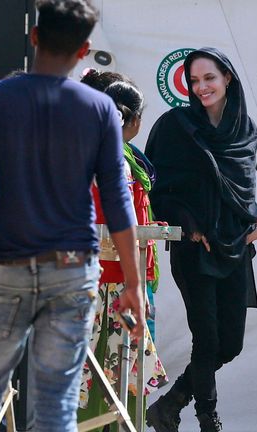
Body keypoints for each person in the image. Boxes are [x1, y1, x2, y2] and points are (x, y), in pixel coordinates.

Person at [0, 1, 143, 431]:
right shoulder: (100, 110)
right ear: (85, 48)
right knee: (56, 407)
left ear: (34, 37)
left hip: (9, 266)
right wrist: (133, 282)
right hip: (72, 271)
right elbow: (118, 200)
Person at [145, 47, 257, 432]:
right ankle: (208, 418)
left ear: (227, 78)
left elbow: (242, 191)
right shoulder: (175, 126)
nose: (201, 88)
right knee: (207, 339)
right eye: (194, 80)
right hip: (194, 247)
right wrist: (187, 222)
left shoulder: (245, 130)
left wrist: (255, 219)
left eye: (209, 78)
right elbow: (156, 187)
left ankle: (171, 402)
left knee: (230, 344)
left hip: (234, 246)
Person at [77, 69, 168, 425]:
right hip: (107, 288)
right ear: (134, 119)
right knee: (105, 383)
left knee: (111, 381)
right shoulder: (106, 158)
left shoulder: (100, 153)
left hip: (115, 282)